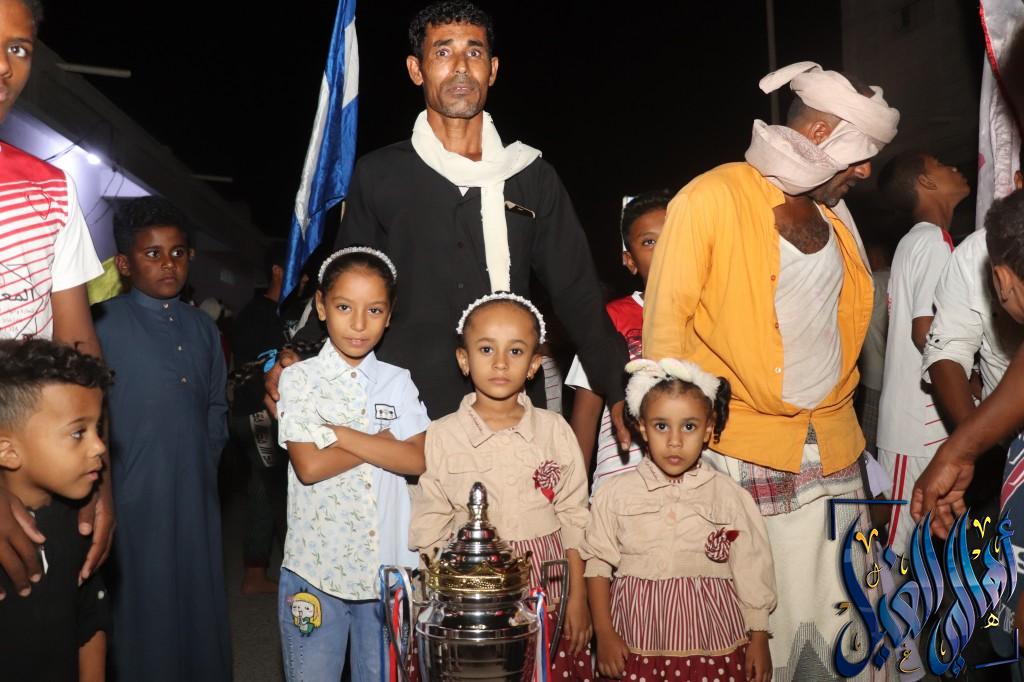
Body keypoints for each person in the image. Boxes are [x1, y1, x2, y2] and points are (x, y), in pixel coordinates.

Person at [268, 1, 628, 445]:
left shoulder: (531, 176)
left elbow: (578, 295)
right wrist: (300, 352)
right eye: (442, 52)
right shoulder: (379, 174)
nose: (460, 66)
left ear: (492, 70)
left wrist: (620, 387)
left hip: (508, 411)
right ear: (416, 70)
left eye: (474, 52)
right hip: (399, 413)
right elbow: (345, 280)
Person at [642, 61, 899, 680]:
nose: (866, 171)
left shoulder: (837, 216)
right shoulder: (712, 197)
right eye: (862, 154)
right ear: (819, 133)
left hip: (834, 450)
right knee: (761, 621)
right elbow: (665, 333)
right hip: (743, 450)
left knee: (846, 619)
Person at [410, 293, 593, 680]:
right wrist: (438, 601)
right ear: (464, 359)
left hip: (546, 590)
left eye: (515, 351)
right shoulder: (443, 434)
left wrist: (578, 597)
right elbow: (431, 523)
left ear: (534, 365)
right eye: (486, 349)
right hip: (470, 594)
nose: (500, 362)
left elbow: (575, 516)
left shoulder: (554, 430)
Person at [0, 0, 114, 603]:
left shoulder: (48, 188)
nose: (4, 66)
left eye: (17, 48)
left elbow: (78, 343)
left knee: (54, 636)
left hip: (42, 478)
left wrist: (99, 471)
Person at [92, 197, 230, 681]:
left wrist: (203, 463)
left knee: (196, 592)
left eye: (178, 252)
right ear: (125, 264)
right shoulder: (100, 323)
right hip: (131, 489)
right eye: (152, 254)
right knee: (141, 600)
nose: (168, 263)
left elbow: (216, 405)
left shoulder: (202, 328)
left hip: (194, 487)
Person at [276, 247, 429, 682]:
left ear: (389, 314)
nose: (359, 324)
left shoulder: (397, 381)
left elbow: (416, 458)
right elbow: (309, 465)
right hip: (315, 569)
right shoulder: (300, 378)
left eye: (374, 310)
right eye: (345, 307)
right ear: (322, 306)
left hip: (387, 573)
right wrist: (380, 442)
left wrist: (341, 434)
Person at [582, 358, 774, 682]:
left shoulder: (729, 496)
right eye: (661, 426)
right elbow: (597, 565)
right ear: (642, 427)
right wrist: (604, 633)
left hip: (712, 641)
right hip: (636, 638)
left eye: (689, 427)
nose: (675, 441)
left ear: (708, 429)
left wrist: (759, 639)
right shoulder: (614, 494)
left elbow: (752, 568)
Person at [912, 190, 1024, 651]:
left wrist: (960, 450)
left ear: (1002, 280)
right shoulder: (977, 251)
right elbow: (947, 349)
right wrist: (971, 445)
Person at [873, 151, 969, 553]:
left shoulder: (919, 240)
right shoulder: (931, 242)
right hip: (916, 427)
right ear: (925, 183)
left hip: (922, 426)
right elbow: (925, 331)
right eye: (942, 164)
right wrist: (972, 390)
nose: (955, 167)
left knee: (924, 547)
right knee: (897, 551)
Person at [0, 338, 110, 681]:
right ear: (8, 451)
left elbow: (90, 617)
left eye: (97, 429)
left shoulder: (79, 522)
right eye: (78, 433)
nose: (100, 446)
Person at [567, 190, 670, 493]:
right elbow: (585, 415)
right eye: (649, 242)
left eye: (674, 236)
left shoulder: (710, 318)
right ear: (630, 260)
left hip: (693, 487)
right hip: (621, 484)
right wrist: (571, 499)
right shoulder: (610, 319)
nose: (664, 249)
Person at [230, 248, 289, 595]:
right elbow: (248, 370)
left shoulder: (284, 313)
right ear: (277, 270)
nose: (303, 279)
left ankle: (263, 570)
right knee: (267, 488)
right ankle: (256, 573)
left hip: (269, 414)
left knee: (269, 486)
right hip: (256, 413)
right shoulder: (256, 314)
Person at [856, 242, 890, 456]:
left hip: (872, 375)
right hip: (893, 375)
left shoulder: (873, 283)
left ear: (875, 257)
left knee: (869, 442)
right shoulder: (896, 278)